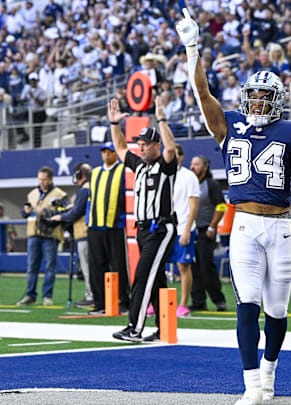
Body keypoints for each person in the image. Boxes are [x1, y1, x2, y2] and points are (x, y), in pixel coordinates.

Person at [176, 9, 291, 404]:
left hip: (279, 228)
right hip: (243, 225)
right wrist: (193, 49)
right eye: (253, 96)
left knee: (276, 312)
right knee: (247, 308)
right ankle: (251, 386)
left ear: (278, 100)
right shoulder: (230, 125)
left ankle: (270, 371)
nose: (257, 103)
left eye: (264, 97)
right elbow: (202, 94)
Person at [108, 93, 177, 343]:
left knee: (142, 275)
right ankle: (163, 328)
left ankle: (134, 328)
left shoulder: (165, 165)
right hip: (143, 229)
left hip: (161, 227)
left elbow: (170, 149)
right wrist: (115, 124)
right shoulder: (140, 166)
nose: (141, 147)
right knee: (157, 279)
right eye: (140, 143)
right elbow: (120, 148)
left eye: (146, 144)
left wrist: (161, 118)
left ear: (156, 145)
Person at [85, 142, 130, 316]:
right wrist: (89, 220)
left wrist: (124, 220)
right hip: (96, 225)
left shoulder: (123, 171)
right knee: (96, 266)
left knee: (118, 264)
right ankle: (99, 302)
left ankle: (123, 301)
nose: (106, 155)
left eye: (110, 152)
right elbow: (91, 198)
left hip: (116, 226)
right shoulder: (94, 173)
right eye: (104, 152)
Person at [16, 166, 66, 306]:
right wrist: (25, 211)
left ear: (50, 179)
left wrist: (46, 213)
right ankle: (30, 295)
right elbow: (25, 212)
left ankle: (47, 296)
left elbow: (65, 212)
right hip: (34, 234)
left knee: (50, 266)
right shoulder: (32, 194)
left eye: (44, 179)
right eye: (40, 179)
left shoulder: (60, 194)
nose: (42, 182)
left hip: (50, 234)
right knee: (32, 266)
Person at [162, 144, 199, 317]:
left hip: (183, 227)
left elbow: (193, 206)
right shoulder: (161, 173)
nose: (170, 156)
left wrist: (186, 230)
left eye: (174, 153)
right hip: (164, 228)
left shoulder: (188, 176)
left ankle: (183, 305)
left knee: (183, 267)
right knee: (158, 266)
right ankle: (159, 302)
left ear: (181, 156)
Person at [50, 162, 93, 308]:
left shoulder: (83, 190)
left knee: (87, 267)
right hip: (92, 232)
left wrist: (61, 217)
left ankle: (91, 295)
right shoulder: (93, 187)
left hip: (84, 232)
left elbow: (76, 213)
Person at [189, 155, 227, 312]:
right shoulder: (190, 184)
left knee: (206, 266)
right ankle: (198, 301)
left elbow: (221, 206)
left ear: (205, 167)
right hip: (191, 231)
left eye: (196, 164)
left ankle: (219, 300)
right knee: (193, 268)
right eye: (192, 164)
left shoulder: (211, 185)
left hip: (206, 230)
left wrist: (212, 226)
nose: (193, 167)